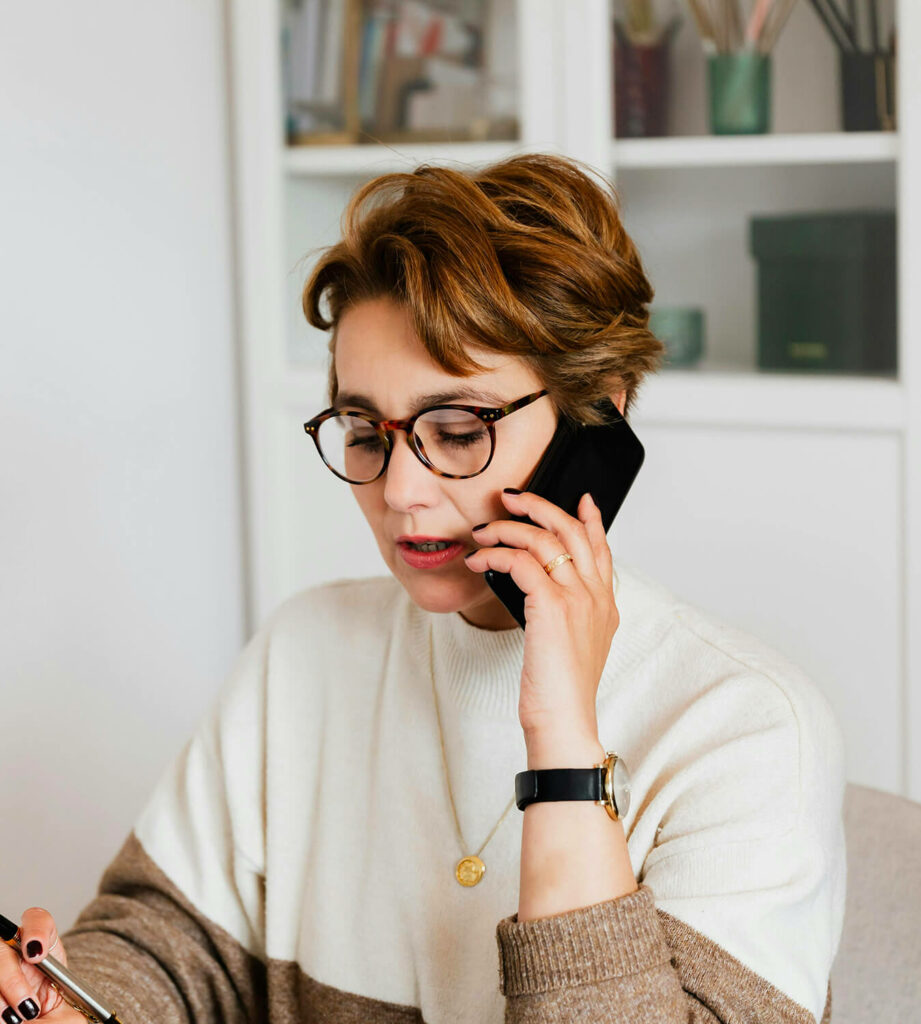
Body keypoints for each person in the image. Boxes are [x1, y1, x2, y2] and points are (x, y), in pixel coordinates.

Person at [0, 153, 846, 1024]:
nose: (399, 491)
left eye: (455, 428)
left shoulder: (746, 731)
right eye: (364, 430)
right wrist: (66, 1000)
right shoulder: (304, 654)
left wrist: (560, 749)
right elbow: (168, 942)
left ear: (598, 411)